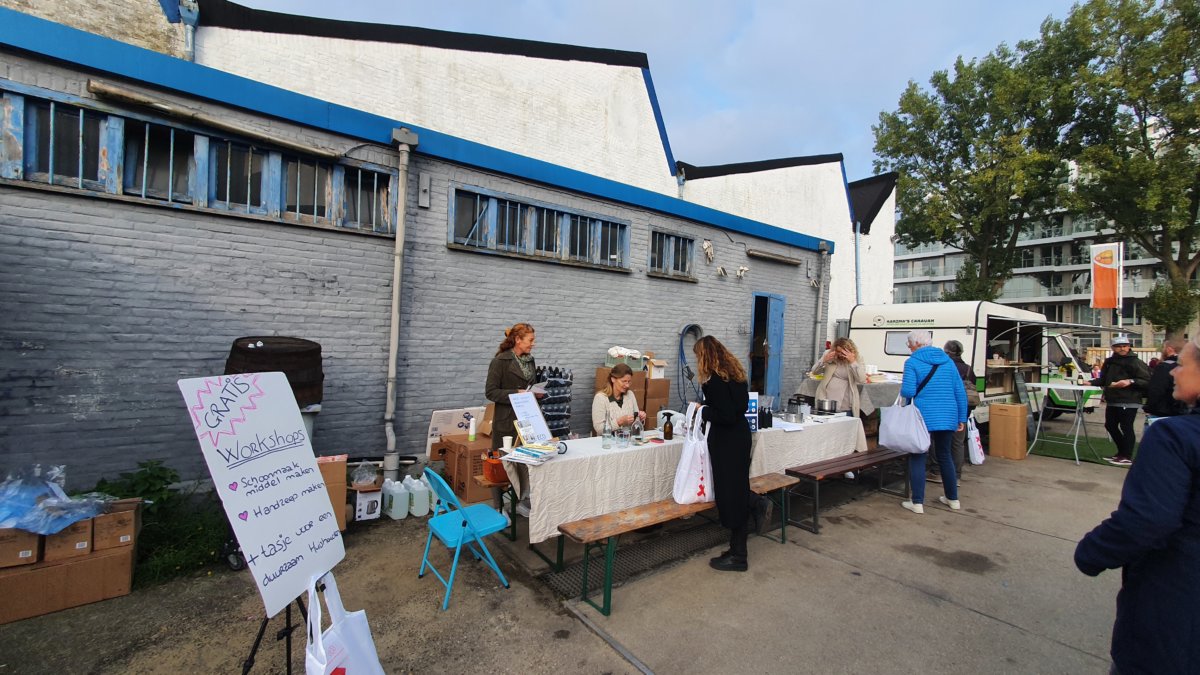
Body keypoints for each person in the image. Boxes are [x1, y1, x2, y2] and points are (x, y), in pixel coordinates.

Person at [1075, 334, 1200, 674]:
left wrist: (1091, 552)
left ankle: (1123, 452)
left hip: (1175, 604)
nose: (1172, 373)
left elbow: (1148, 519)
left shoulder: (1175, 436)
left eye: (1182, 366)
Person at [692, 335, 770, 572]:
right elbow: (740, 409)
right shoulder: (735, 375)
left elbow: (724, 415)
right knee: (736, 490)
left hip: (726, 442)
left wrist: (703, 410)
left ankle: (739, 555)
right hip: (740, 437)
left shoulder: (714, 381)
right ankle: (749, 516)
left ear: (705, 356)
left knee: (731, 496)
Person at [898, 330, 967, 515]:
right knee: (945, 455)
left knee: (918, 455)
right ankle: (953, 499)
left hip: (923, 416)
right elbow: (960, 391)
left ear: (916, 344)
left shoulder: (912, 362)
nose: (908, 346)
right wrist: (962, 417)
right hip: (948, 415)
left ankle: (917, 502)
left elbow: (908, 391)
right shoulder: (948, 362)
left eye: (908, 343)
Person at [485, 323, 540, 515]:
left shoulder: (530, 361)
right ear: (518, 339)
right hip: (507, 421)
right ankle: (499, 508)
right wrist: (515, 393)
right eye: (530, 340)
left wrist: (535, 393)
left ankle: (521, 503)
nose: (533, 344)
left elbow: (529, 386)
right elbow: (490, 392)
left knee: (525, 464)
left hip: (527, 419)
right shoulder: (500, 361)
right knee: (502, 465)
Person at [1092, 335, 1151, 466]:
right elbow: (1104, 379)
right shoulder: (1109, 362)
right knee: (1110, 425)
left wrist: (1129, 381)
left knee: (1126, 427)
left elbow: (1147, 380)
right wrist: (1089, 383)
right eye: (1119, 346)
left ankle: (1127, 455)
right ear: (1113, 348)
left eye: (1125, 345)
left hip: (1129, 399)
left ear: (1129, 346)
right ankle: (1121, 453)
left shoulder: (1135, 362)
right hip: (1113, 398)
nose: (1122, 348)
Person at [928, 339, 972, 485]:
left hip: (943, 411)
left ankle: (936, 472)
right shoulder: (968, 369)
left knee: (936, 442)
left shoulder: (943, 367)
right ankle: (957, 476)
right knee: (958, 444)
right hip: (962, 410)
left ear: (946, 352)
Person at [808, 337, 867, 418]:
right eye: (838, 351)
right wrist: (823, 361)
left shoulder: (857, 358)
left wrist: (853, 362)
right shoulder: (829, 354)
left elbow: (862, 379)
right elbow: (814, 371)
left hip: (846, 401)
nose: (840, 354)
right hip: (826, 399)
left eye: (843, 352)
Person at [591, 363, 646, 435]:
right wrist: (619, 422)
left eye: (629, 382)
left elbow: (636, 423)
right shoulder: (600, 398)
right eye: (624, 381)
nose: (627, 385)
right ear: (613, 379)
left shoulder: (630, 395)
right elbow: (599, 429)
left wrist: (640, 419)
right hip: (608, 442)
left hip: (627, 442)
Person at [1144, 338, 1188, 426]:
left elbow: (1156, 390)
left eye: (1163, 348)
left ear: (1169, 349)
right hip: (1185, 413)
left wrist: (1149, 408)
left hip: (1162, 412)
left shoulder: (1164, 367)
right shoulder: (1191, 366)